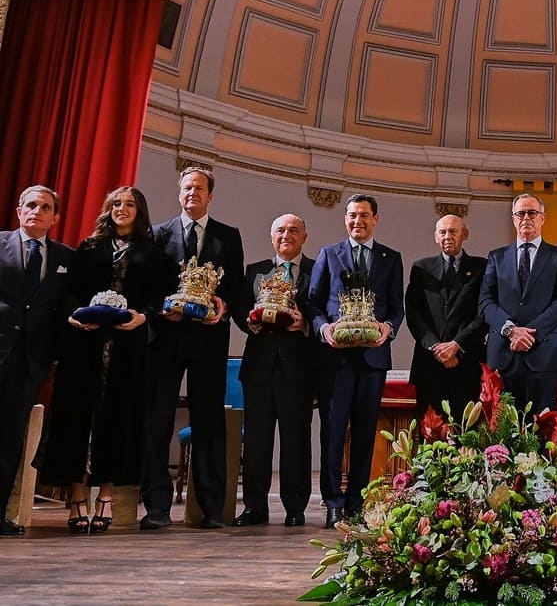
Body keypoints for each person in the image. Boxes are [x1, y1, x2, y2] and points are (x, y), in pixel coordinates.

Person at [40, 187, 172, 534]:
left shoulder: (151, 251)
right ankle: (77, 495)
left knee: (118, 417)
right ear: (108, 209)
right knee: (78, 416)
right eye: (116, 203)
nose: (121, 209)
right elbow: (71, 291)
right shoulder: (90, 247)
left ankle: (106, 496)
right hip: (85, 343)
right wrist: (74, 316)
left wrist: (143, 316)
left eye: (129, 204)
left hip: (128, 347)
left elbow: (159, 295)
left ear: (139, 211)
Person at [142, 167, 244, 530]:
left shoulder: (228, 236)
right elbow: (147, 284)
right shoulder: (157, 234)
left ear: (210, 195)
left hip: (209, 339)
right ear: (179, 192)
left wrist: (223, 305)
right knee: (157, 420)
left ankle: (210, 507)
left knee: (209, 420)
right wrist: (160, 308)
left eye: (199, 188)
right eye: (187, 188)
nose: (192, 193)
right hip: (165, 339)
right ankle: (156, 506)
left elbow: (236, 286)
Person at [310, 194, 405, 529]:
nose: (357, 221)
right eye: (352, 215)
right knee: (333, 433)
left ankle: (356, 503)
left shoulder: (391, 258)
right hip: (335, 360)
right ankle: (333, 503)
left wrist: (387, 328)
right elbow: (314, 304)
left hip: (372, 359)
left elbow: (396, 307)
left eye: (364, 215)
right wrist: (324, 330)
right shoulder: (328, 254)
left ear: (375, 218)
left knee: (365, 435)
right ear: (345, 218)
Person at [230, 213, 315, 527]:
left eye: (293, 230)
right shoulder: (255, 270)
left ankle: (295, 508)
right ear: (271, 236)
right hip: (259, 369)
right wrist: (249, 322)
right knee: (256, 442)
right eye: (280, 230)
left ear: (304, 237)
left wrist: (305, 323)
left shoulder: (317, 269)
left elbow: (323, 308)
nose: (286, 235)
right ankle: (255, 507)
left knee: (296, 442)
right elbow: (240, 307)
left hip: (298, 369)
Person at [0, 185, 73, 537]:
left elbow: (64, 310)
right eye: (30, 205)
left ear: (55, 217)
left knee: (10, 438)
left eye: (45, 207)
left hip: (31, 361)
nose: (37, 211)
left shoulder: (65, 258)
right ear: (19, 211)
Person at [479, 193, 557, 414]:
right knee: (503, 430)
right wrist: (511, 330)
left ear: (543, 218)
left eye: (532, 213)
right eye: (520, 213)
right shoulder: (496, 257)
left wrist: (530, 334)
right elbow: (485, 302)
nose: (526, 218)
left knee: (543, 429)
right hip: (503, 356)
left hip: (545, 355)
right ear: (513, 219)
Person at [404, 214, 487, 419]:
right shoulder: (421, 268)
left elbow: (484, 313)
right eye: (442, 232)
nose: (447, 236)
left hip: (467, 364)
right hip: (429, 365)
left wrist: (456, 345)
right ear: (436, 237)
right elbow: (414, 313)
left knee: (467, 431)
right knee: (429, 432)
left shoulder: (482, 268)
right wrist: (436, 347)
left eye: (453, 231)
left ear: (465, 234)